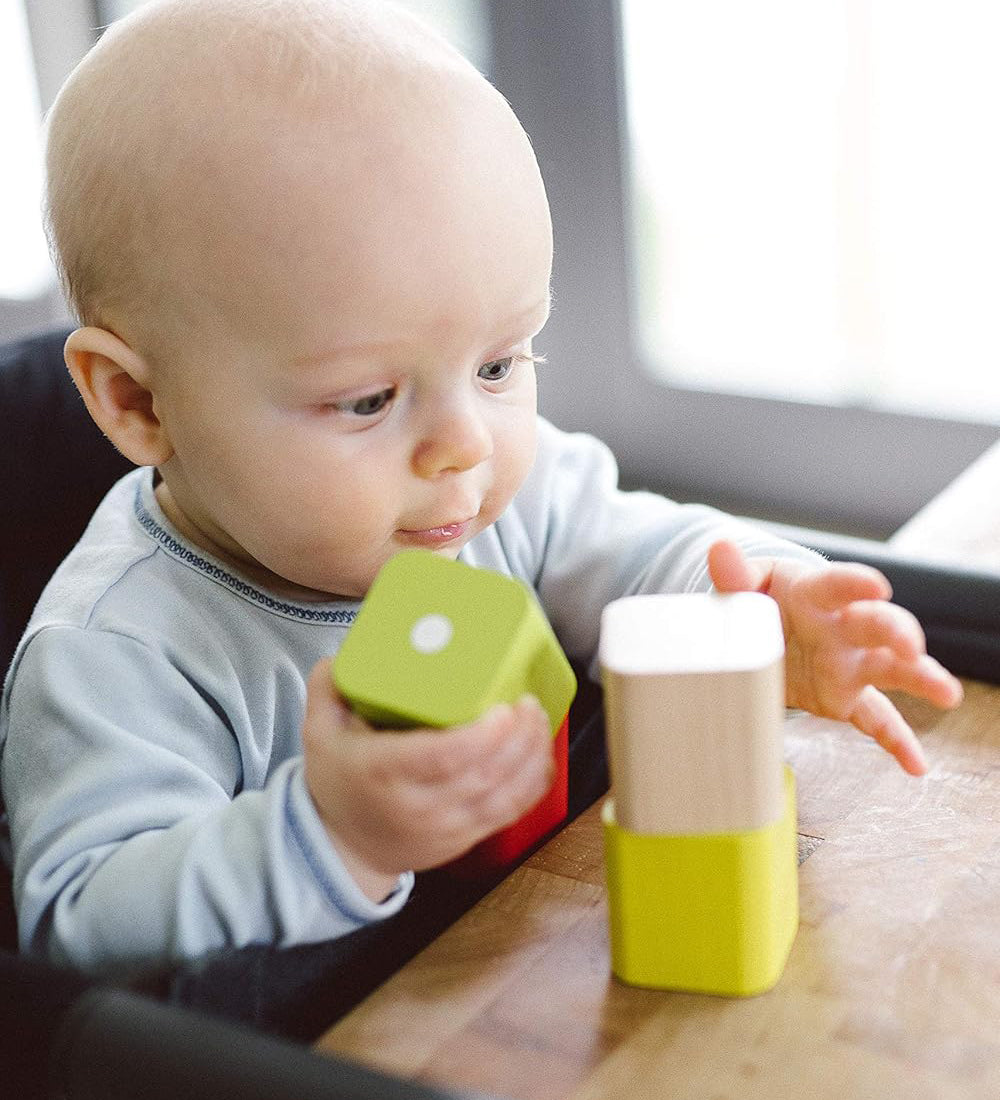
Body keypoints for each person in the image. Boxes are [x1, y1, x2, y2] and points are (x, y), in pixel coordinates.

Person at [0, 0, 962, 977]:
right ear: (138, 402)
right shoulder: (116, 654)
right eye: (369, 397)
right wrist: (336, 833)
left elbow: (636, 545)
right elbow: (78, 927)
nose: (464, 443)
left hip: (546, 958)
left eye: (501, 363)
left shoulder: (473, 492)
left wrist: (754, 607)